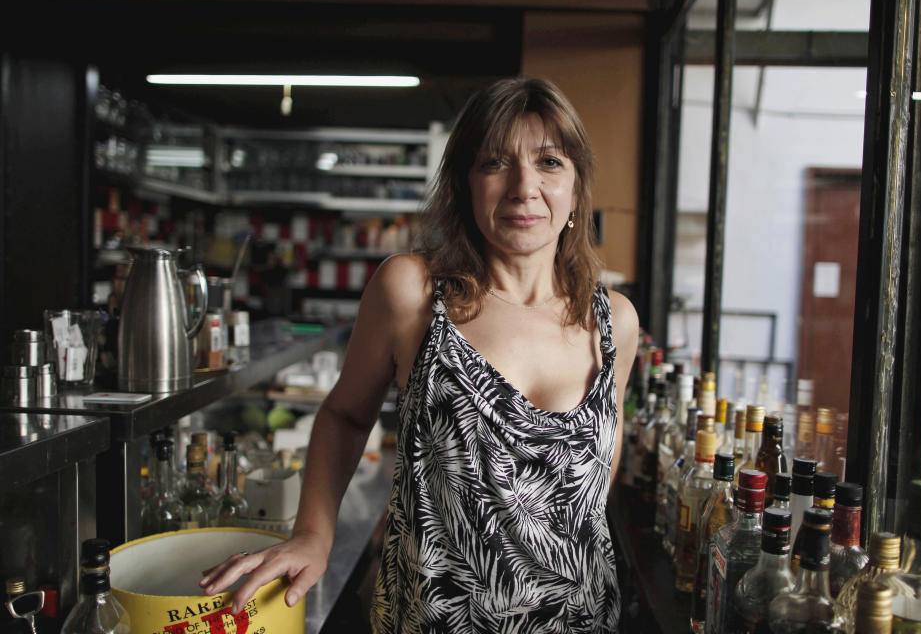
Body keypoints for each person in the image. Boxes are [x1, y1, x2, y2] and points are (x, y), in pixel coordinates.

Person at [199, 76, 639, 633]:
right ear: (465, 183)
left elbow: (597, 474)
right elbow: (345, 414)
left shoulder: (613, 322)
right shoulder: (413, 292)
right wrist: (314, 534)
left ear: (576, 187)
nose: (525, 187)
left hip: (582, 620)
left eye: (550, 162)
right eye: (495, 163)